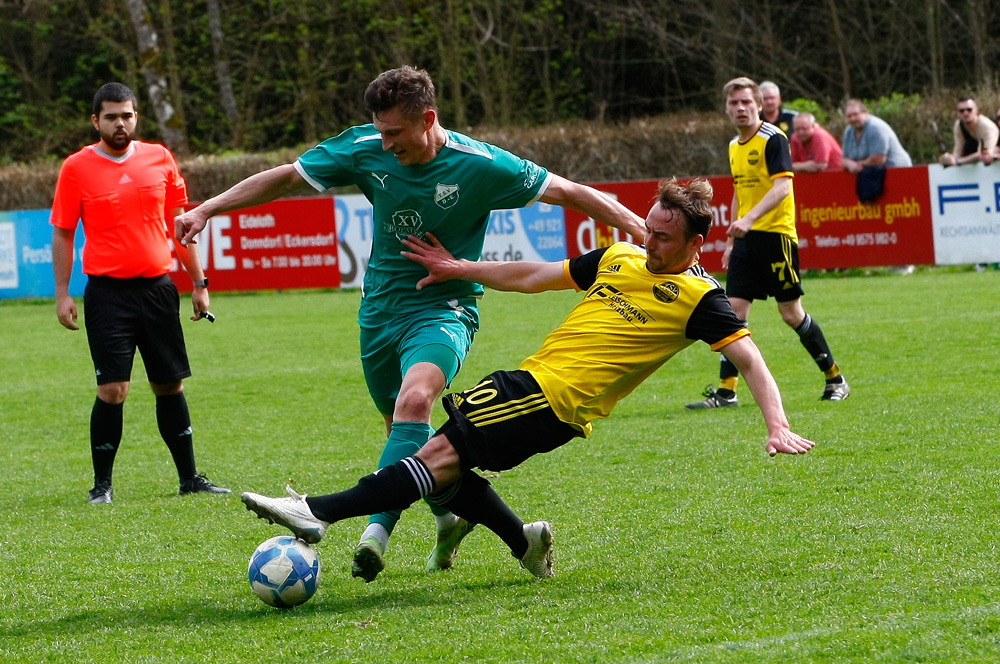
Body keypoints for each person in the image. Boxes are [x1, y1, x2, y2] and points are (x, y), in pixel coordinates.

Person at [174, 66, 645, 582]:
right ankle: (493, 530)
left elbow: (571, 192)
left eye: (395, 132)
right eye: (380, 130)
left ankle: (367, 532)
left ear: (428, 119)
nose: (386, 142)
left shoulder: (481, 164)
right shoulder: (365, 147)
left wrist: (640, 228)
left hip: (445, 309)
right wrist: (209, 209)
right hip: (378, 313)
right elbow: (287, 175)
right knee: (412, 443)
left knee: (415, 401)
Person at [240, 177, 815, 580]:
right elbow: (538, 273)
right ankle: (524, 541)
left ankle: (316, 512)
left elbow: (751, 361)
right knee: (446, 471)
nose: (650, 241)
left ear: (696, 242)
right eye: (648, 229)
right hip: (532, 383)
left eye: (663, 237)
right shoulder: (619, 257)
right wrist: (462, 268)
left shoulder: (701, 299)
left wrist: (777, 424)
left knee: (437, 456)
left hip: (555, 400)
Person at [51, 82, 230, 504]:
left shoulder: (159, 157)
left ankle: (189, 479)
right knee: (114, 389)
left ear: (136, 117)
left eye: (127, 115)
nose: (120, 123)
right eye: (111, 116)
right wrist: (62, 293)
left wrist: (199, 283)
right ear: (96, 121)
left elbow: (182, 225)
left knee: (170, 385)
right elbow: (62, 234)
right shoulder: (76, 167)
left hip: (157, 289)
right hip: (108, 294)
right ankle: (102, 487)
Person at [686, 77, 849, 410]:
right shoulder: (734, 145)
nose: (740, 108)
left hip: (776, 237)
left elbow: (782, 189)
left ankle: (835, 379)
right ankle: (727, 391)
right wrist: (733, 237)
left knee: (790, 314)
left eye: (746, 102)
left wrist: (749, 220)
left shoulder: (774, 138)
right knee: (733, 313)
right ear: (727, 108)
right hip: (746, 241)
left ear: (760, 105)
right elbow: (738, 193)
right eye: (734, 103)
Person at [841, 99, 913, 174]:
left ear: (865, 112)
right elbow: (844, 159)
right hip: (873, 175)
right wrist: (850, 164)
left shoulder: (876, 128)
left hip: (899, 171)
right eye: (849, 116)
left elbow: (879, 159)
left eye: (855, 114)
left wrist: (857, 165)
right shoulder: (848, 131)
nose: (852, 118)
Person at [939, 96, 999, 167]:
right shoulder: (959, 125)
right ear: (958, 113)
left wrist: (959, 161)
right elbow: (958, 150)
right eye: (961, 111)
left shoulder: (988, 127)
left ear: (976, 110)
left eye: (969, 110)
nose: (965, 113)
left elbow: (985, 154)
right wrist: (950, 159)